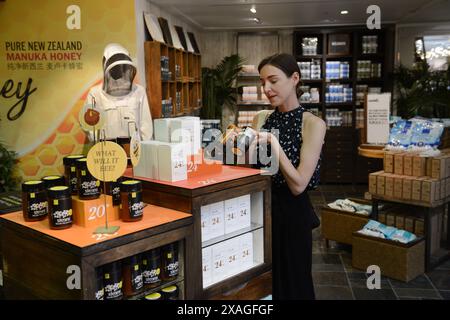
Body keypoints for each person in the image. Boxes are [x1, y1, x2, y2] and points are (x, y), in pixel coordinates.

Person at [254, 53, 326, 300]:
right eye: (263, 82)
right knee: (264, 282)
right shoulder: (261, 119)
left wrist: (274, 143)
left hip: (293, 215)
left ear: (294, 78)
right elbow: (253, 169)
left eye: (273, 80)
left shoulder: (313, 124)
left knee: (294, 283)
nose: (266, 88)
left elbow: (298, 185)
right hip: (259, 211)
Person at [83, 43, 153, 142]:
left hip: (134, 150)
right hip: (107, 152)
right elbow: (89, 126)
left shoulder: (139, 91)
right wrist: (98, 146)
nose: (119, 70)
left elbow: (146, 125)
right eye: (116, 68)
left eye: (122, 67)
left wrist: (144, 149)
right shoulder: (95, 94)